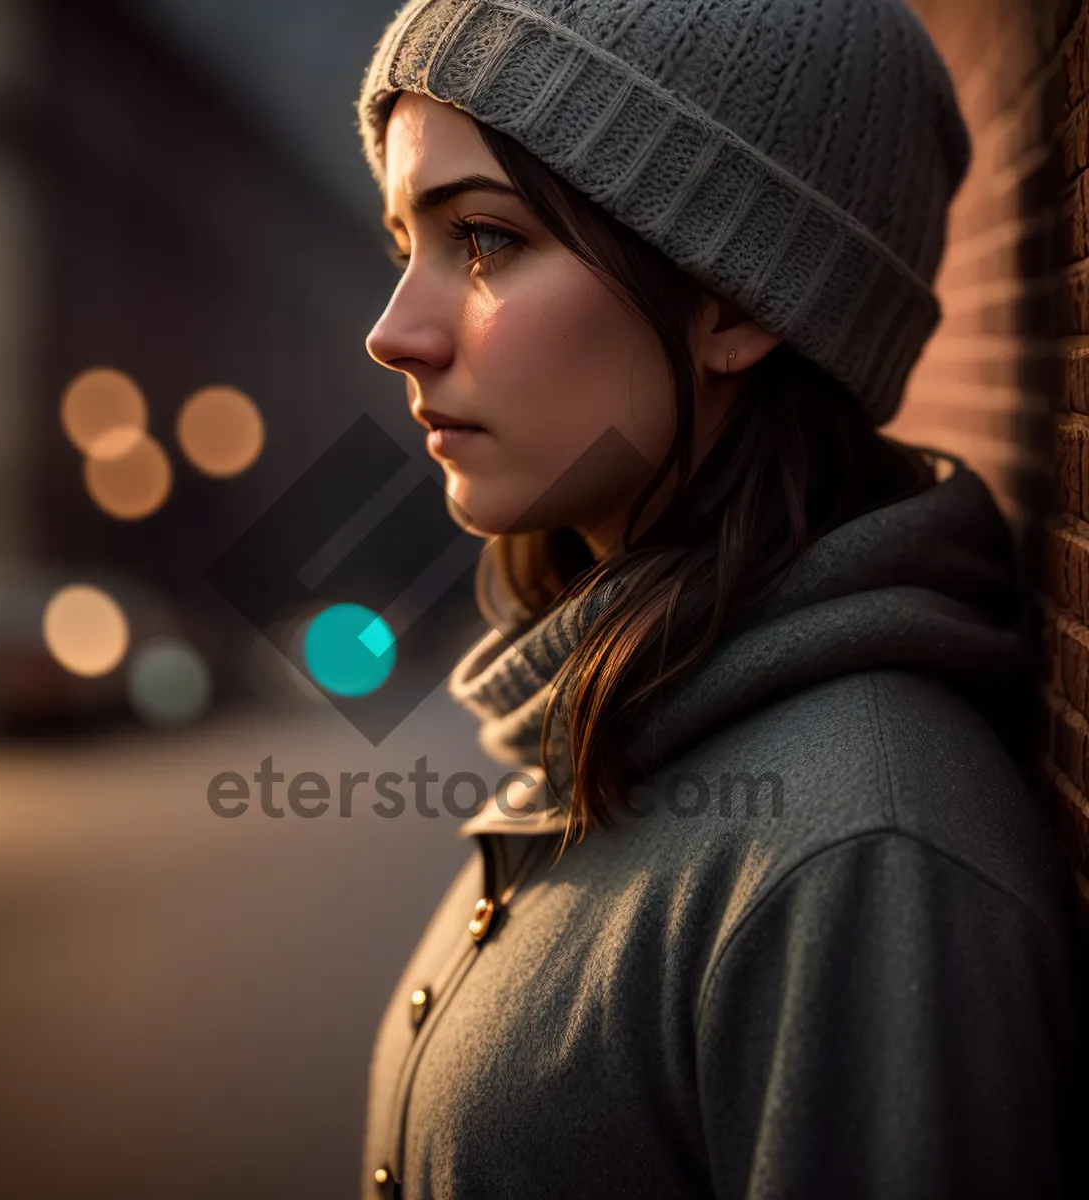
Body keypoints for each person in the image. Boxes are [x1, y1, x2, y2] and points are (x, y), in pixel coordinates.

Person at [353, 1, 1082, 1196]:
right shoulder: (628, 699)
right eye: (404, 245)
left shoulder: (864, 855)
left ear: (734, 300)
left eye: (483, 240)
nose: (395, 332)